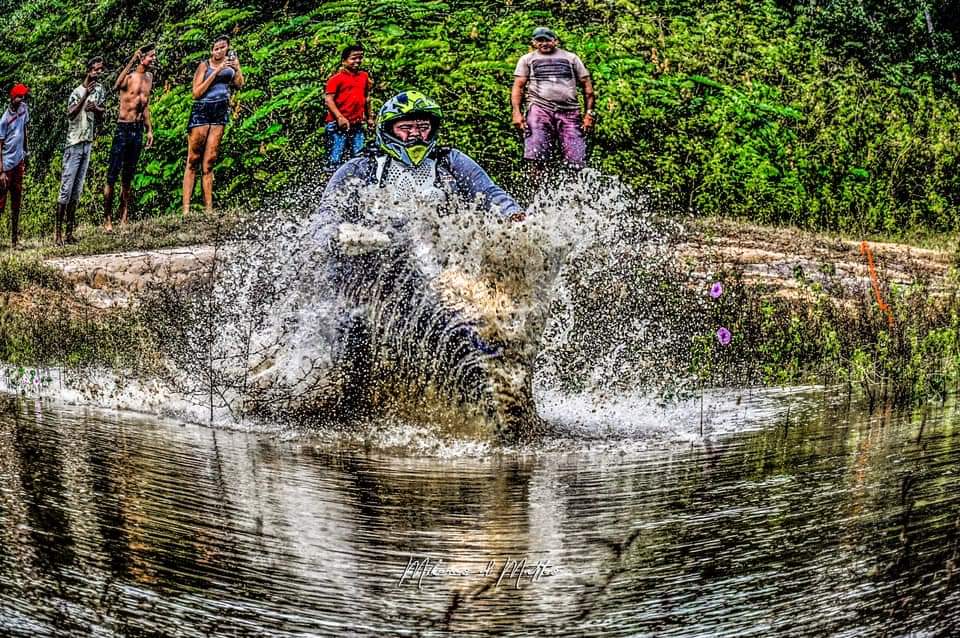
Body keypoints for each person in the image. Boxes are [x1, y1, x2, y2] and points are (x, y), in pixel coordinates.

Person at [321, 90, 522, 226]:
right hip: (377, 255)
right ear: (388, 130)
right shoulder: (362, 166)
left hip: (441, 250)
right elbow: (328, 211)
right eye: (406, 128)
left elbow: (488, 192)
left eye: (423, 128)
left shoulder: (450, 159)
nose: (416, 134)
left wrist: (513, 215)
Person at [511, 26, 596, 184]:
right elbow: (518, 87)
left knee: (576, 158)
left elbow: (587, 87)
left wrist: (589, 114)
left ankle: (575, 194)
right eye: (539, 40)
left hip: (570, 111)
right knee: (536, 155)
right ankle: (537, 192)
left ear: (555, 41)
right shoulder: (527, 59)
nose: (544, 43)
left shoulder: (571, 58)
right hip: (539, 108)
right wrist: (516, 113)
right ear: (534, 42)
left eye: (547, 40)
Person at [182, 35, 244, 215]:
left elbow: (239, 84)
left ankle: (209, 209)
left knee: (209, 161)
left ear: (227, 48)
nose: (218, 51)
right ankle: (186, 209)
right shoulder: (204, 65)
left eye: (222, 48)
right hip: (202, 110)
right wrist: (216, 72)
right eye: (215, 48)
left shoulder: (230, 64)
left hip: (220, 111)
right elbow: (196, 92)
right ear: (212, 50)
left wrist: (237, 68)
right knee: (193, 159)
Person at [104, 44, 156, 231]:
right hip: (123, 128)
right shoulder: (129, 77)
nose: (154, 59)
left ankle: (123, 217)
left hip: (137, 129)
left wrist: (149, 129)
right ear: (142, 58)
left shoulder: (149, 78)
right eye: (151, 56)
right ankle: (107, 218)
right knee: (112, 175)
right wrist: (132, 60)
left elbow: (145, 105)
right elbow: (116, 85)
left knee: (128, 176)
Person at [56, 57, 107, 244]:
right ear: (88, 71)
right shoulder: (77, 92)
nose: (98, 73)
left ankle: (69, 233)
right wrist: (86, 97)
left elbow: (103, 114)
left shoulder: (100, 90)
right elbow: (70, 114)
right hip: (74, 143)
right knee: (66, 189)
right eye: (96, 70)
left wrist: (98, 109)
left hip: (87, 141)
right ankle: (58, 234)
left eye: (101, 70)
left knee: (77, 190)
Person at [323, 43, 374, 171]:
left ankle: (358, 183)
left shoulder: (364, 76)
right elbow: (329, 100)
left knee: (360, 155)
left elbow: (367, 97)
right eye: (353, 58)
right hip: (337, 124)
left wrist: (370, 117)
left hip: (357, 123)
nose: (357, 61)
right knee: (336, 157)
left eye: (360, 58)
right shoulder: (336, 79)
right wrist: (340, 117)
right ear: (344, 61)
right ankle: (331, 184)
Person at [0, 83, 30, 248]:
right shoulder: (4, 119)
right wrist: (1, 171)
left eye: (23, 96)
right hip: (6, 165)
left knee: (16, 203)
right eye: (19, 96)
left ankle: (14, 240)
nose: (21, 99)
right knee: (1, 203)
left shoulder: (24, 108)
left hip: (19, 162)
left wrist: (26, 151)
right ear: (12, 98)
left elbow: (25, 129)